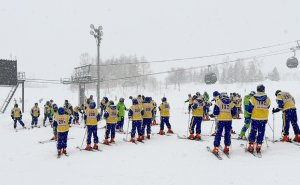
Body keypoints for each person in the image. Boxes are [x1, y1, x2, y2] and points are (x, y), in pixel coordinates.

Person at [247, 84, 271, 153]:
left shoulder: (253, 98)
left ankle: (251, 145)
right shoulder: (267, 98)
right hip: (264, 118)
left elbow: (249, 109)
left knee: (253, 131)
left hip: (255, 117)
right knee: (261, 131)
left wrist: (249, 113)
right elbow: (268, 106)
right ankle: (259, 145)